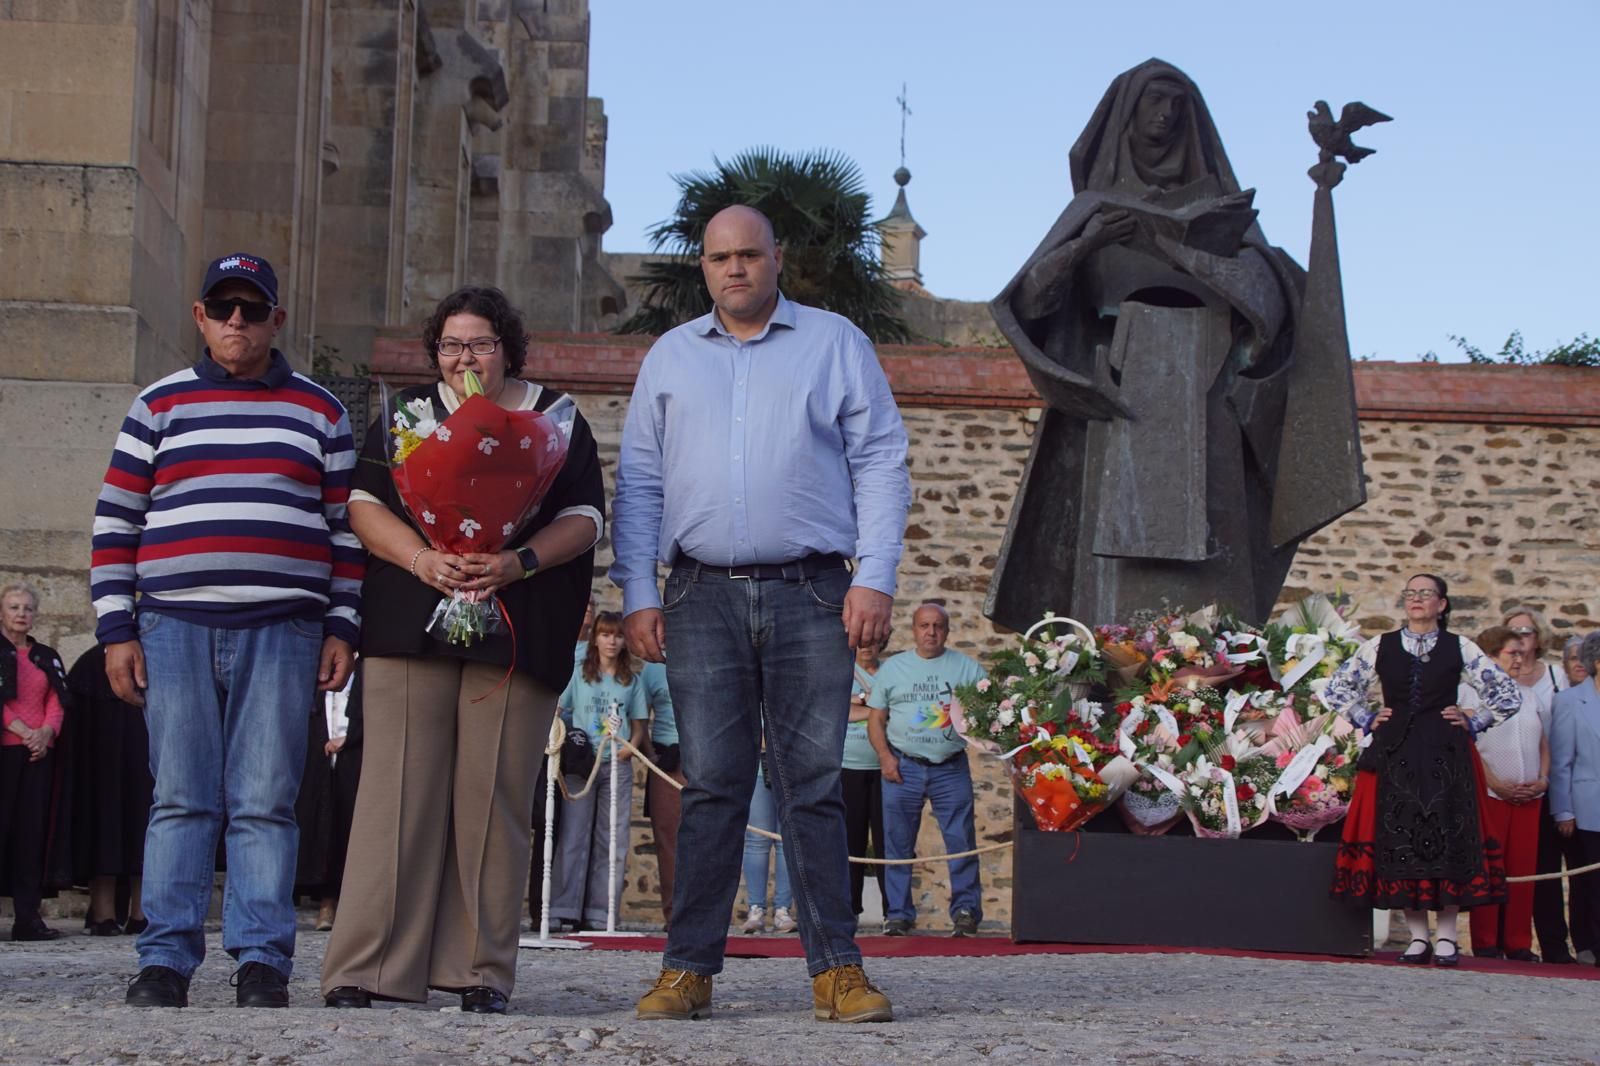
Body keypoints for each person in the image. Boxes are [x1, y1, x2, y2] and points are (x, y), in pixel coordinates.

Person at [612, 204, 909, 1023]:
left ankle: (837, 972)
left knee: (813, 784)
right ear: (703, 267)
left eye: (748, 254)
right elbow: (639, 482)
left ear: (778, 257)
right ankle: (688, 970)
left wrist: (876, 576)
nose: (735, 268)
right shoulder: (671, 358)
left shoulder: (835, 343)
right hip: (699, 593)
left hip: (813, 590)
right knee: (711, 785)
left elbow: (881, 460)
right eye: (719, 258)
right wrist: (638, 592)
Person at [985, 59, 1364, 631]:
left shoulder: (1220, 206)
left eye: (1176, 106)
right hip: (1120, 394)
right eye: (1154, 102)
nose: (1165, 115)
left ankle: (1216, 672)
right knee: (1110, 570)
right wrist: (1086, 245)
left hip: (1206, 396)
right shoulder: (1093, 207)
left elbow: (1270, 299)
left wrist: (1196, 256)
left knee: (1215, 566)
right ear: (1126, 116)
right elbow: (1032, 302)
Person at [320, 285, 603, 1014]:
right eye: (451, 345)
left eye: (479, 343)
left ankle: (479, 970)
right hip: (409, 618)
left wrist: (517, 561)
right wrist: (422, 560)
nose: (464, 358)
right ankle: (367, 967)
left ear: (507, 348)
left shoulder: (555, 419)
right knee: (395, 794)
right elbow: (364, 505)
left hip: (515, 624)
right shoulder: (408, 415)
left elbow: (585, 517)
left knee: (493, 800)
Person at [91, 252, 361, 1007]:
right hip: (172, 625)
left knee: (267, 799)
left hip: (285, 627)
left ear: (277, 319)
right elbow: (116, 522)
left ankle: (262, 959)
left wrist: (342, 624)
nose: (236, 320)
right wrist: (116, 630)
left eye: (252, 308)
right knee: (180, 796)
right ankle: (165, 959)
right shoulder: (157, 405)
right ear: (200, 317)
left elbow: (346, 532)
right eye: (223, 307)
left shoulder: (322, 412)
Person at [1323, 574, 1521, 966]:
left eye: (1425, 593)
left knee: (1446, 837)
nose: (1416, 599)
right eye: (1411, 593)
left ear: (1441, 604)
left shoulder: (1459, 646)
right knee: (1401, 839)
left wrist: (1475, 720)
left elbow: (1506, 692)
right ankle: (1418, 938)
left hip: (1444, 754)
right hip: (1396, 752)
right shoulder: (1380, 646)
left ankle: (1446, 937)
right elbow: (1336, 687)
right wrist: (1365, 716)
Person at [867, 604, 986, 937]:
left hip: (950, 768)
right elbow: (876, 718)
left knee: (961, 839)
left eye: (937, 626)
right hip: (903, 766)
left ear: (946, 631)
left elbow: (991, 711)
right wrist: (884, 757)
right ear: (914, 630)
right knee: (897, 843)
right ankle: (898, 914)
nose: (931, 632)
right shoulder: (894, 669)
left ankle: (965, 911)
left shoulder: (968, 669)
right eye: (924, 625)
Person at [550, 611, 649, 931]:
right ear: (595, 638)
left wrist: (630, 746)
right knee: (573, 836)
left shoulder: (631, 681)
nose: (612, 642)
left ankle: (601, 911)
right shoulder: (580, 674)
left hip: (616, 763)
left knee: (612, 838)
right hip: (583, 764)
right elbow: (558, 708)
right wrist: (561, 741)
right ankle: (564, 907)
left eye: (618, 636)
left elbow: (639, 725)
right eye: (606, 635)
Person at [1507, 608, 1591, 965]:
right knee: (1535, 871)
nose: (1521, 637)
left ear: (1539, 637)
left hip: (1559, 786)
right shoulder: (1497, 678)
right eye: (1513, 631)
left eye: (1527, 631)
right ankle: (1538, 943)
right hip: (1517, 787)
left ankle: (1575, 944)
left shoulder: (1556, 677)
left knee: (1573, 869)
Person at [1467, 627, 1549, 960]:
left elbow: (1543, 743)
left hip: (1529, 798)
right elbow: (1470, 747)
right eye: (1512, 653)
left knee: (1523, 871)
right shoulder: (1470, 695)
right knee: (1489, 867)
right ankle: (1485, 940)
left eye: (1521, 652)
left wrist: (1542, 779)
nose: (1520, 658)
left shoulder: (1530, 696)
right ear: (1490, 656)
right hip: (1491, 796)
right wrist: (1496, 783)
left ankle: (1518, 942)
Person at [63, 644, 152, 936]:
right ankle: (103, 914)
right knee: (101, 831)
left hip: (145, 764)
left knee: (145, 830)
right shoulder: (90, 665)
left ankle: (142, 913)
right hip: (100, 766)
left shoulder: (155, 656)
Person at [0, 583, 69, 941]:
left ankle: (27, 919)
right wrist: (24, 731)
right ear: (2, 612)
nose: (21, 614)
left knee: (31, 835)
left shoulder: (45, 655)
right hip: (5, 750)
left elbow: (57, 700)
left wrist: (44, 734)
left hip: (38, 754)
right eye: (14, 607)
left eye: (27, 608)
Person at [529, 595, 595, 926]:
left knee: (556, 829)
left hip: (569, 749)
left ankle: (550, 908)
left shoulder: (591, 658)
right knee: (539, 823)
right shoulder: (555, 644)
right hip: (543, 743)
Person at [294, 663, 363, 932]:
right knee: (319, 825)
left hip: (354, 754)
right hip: (318, 755)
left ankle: (339, 902)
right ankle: (325, 901)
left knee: (349, 825)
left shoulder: (364, 669)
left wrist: (350, 737)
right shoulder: (315, 669)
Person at [1548, 631, 1600, 967]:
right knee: (1590, 882)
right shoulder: (1570, 701)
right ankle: (1589, 944)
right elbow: (1561, 761)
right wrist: (1563, 810)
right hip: (1586, 806)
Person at [842, 638, 889, 930]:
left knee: (887, 842)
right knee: (850, 841)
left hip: (884, 769)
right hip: (848, 767)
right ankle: (850, 909)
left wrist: (858, 704)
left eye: (872, 643)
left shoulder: (890, 673)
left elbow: (896, 710)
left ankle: (892, 912)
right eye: (860, 643)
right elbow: (837, 710)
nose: (866, 648)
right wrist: (874, 708)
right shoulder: (841, 672)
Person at [640, 658, 685, 929]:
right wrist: (651, 756)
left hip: (703, 756)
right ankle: (674, 914)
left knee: (709, 834)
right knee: (667, 838)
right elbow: (639, 715)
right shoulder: (653, 668)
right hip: (666, 757)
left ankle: (704, 912)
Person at [740, 753, 795, 934]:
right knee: (756, 840)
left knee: (786, 840)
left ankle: (782, 910)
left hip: (790, 765)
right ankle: (755, 909)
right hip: (756, 765)